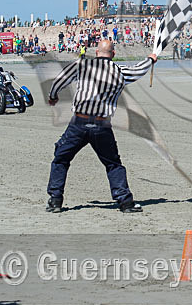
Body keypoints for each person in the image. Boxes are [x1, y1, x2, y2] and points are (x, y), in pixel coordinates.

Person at [45, 39, 157, 214]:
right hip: (102, 125)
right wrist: (151, 59)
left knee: (61, 158)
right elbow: (138, 70)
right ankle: (125, 202)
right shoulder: (119, 71)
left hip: (78, 123)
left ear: (96, 53)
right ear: (113, 54)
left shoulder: (82, 65)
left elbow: (60, 80)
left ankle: (55, 200)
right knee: (113, 163)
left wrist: (53, 96)